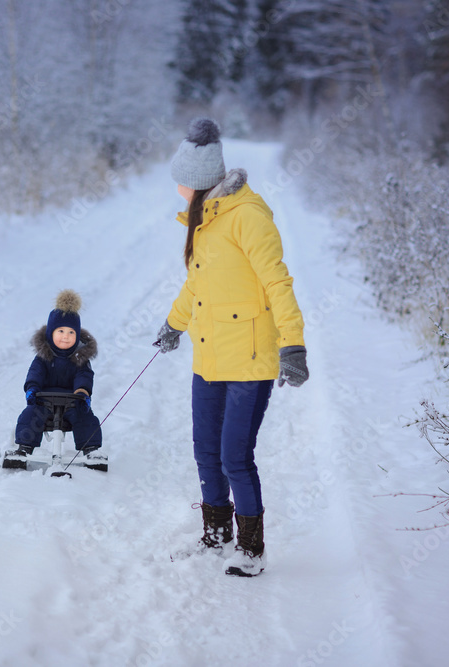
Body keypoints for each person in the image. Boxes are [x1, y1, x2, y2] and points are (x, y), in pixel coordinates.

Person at [154, 118, 309, 577]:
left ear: (200, 182)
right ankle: (216, 534)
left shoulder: (248, 217)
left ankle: (251, 550)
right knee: (206, 451)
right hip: (211, 355)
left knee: (234, 457)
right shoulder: (205, 220)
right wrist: (173, 325)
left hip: (252, 357)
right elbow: (197, 289)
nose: (177, 187)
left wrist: (293, 347)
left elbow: (278, 283)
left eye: (182, 180)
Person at [10, 289, 106, 464]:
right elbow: (35, 374)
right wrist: (32, 389)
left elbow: (84, 375)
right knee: (30, 415)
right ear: (50, 333)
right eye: (60, 331)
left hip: (72, 402)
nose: (65, 337)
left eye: (71, 333)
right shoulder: (43, 357)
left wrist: (82, 392)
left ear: (77, 336)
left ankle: (91, 450)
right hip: (44, 401)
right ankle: (23, 449)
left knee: (86, 417)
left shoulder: (80, 358)